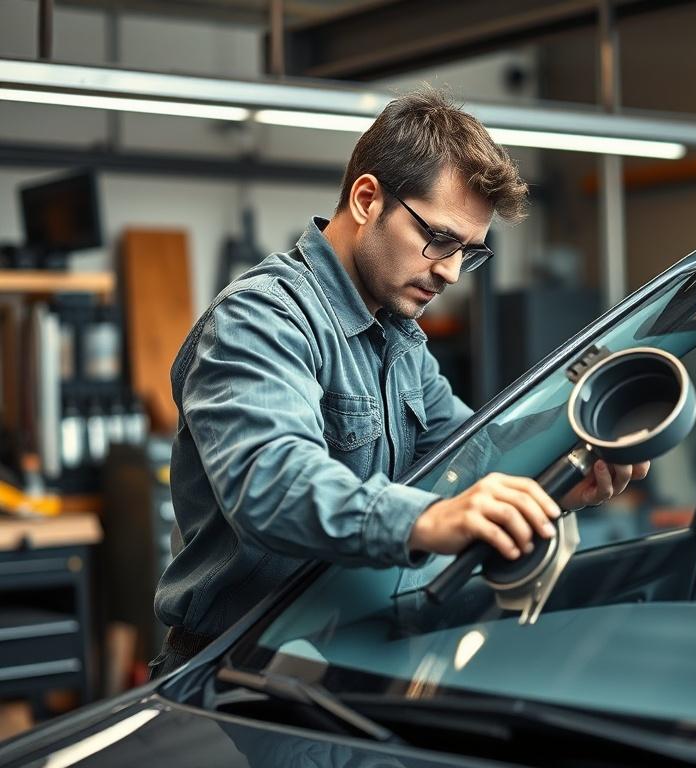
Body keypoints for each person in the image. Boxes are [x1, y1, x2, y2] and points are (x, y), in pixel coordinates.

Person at [149, 89, 648, 678]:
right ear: (367, 199)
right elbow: (272, 482)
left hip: (350, 662)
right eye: (439, 239)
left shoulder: (400, 340)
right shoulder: (261, 319)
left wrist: (557, 482)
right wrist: (426, 520)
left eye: (469, 251)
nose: (451, 272)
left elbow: (472, 453)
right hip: (234, 675)